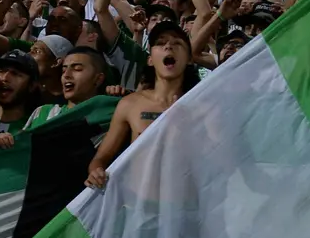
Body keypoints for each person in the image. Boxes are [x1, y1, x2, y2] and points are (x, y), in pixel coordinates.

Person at [86, 20, 197, 188]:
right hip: (137, 206)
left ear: (189, 59)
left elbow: (217, 159)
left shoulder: (200, 106)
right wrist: (96, 171)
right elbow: (101, 158)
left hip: (185, 207)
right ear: (150, 60)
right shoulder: (130, 104)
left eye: (177, 43)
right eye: (160, 43)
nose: (168, 47)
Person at [26, 47, 111, 127]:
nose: (66, 75)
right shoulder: (42, 112)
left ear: (98, 79)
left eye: (77, 69)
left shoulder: (109, 114)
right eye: (63, 70)